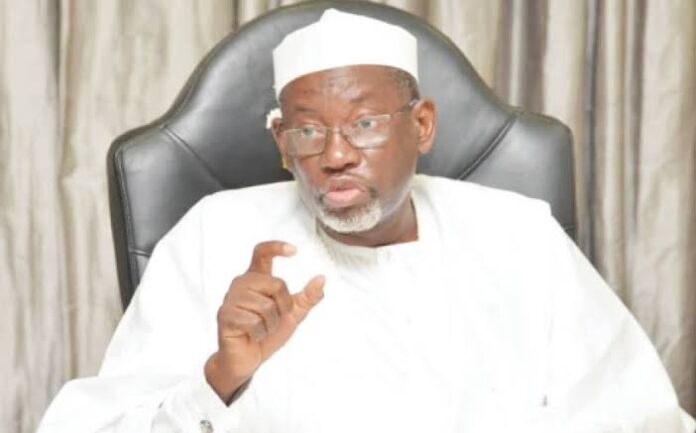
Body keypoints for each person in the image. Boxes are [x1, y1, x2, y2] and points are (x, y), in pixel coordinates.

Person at [38, 8, 694, 433]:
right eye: (307, 130)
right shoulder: (215, 235)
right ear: (281, 144)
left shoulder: (517, 235)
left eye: (366, 123)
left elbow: (637, 415)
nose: (335, 155)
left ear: (423, 125)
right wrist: (222, 375)